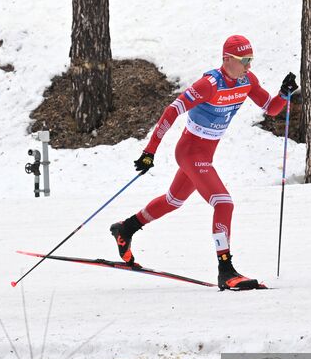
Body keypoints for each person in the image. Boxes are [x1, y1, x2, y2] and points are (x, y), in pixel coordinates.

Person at [110, 35, 299, 290]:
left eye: (251, 60)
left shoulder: (247, 81)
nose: (249, 66)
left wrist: (284, 94)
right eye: (244, 60)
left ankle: (126, 228)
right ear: (227, 59)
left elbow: (271, 108)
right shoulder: (209, 83)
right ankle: (226, 270)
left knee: (172, 201)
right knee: (224, 204)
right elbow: (172, 110)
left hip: (204, 154)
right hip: (190, 152)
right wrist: (149, 152)